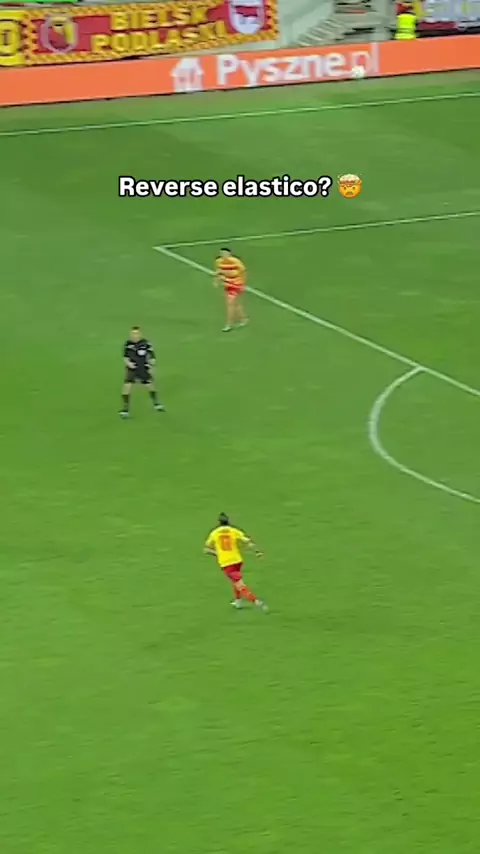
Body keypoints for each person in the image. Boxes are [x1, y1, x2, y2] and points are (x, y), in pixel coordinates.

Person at [204, 513, 268, 611]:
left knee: (240, 584)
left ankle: (256, 601)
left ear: (219, 522)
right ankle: (238, 602)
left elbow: (207, 549)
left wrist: (217, 553)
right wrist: (257, 551)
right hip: (237, 560)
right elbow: (248, 542)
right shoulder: (233, 530)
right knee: (235, 581)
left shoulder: (214, 533)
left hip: (226, 563)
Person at [120, 326, 165, 418]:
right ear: (130, 334)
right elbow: (125, 357)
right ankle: (125, 409)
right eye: (133, 333)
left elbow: (152, 356)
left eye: (137, 333)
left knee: (150, 386)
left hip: (143, 368)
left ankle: (156, 404)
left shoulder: (146, 343)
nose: (135, 335)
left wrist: (152, 366)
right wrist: (129, 364)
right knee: (127, 387)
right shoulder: (128, 344)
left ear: (140, 334)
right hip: (132, 369)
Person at [214, 248, 248, 332]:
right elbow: (219, 271)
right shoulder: (219, 261)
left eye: (225, 253)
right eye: (222, 253)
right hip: (228, 284)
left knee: (230, 304)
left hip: (236, 284)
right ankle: (243, 319)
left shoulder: (235, 261)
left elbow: (243, 271)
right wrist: (217, 280)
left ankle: (228, 324)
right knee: (236, 303)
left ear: (229, 254)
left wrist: (243, 284)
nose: (224, 255)